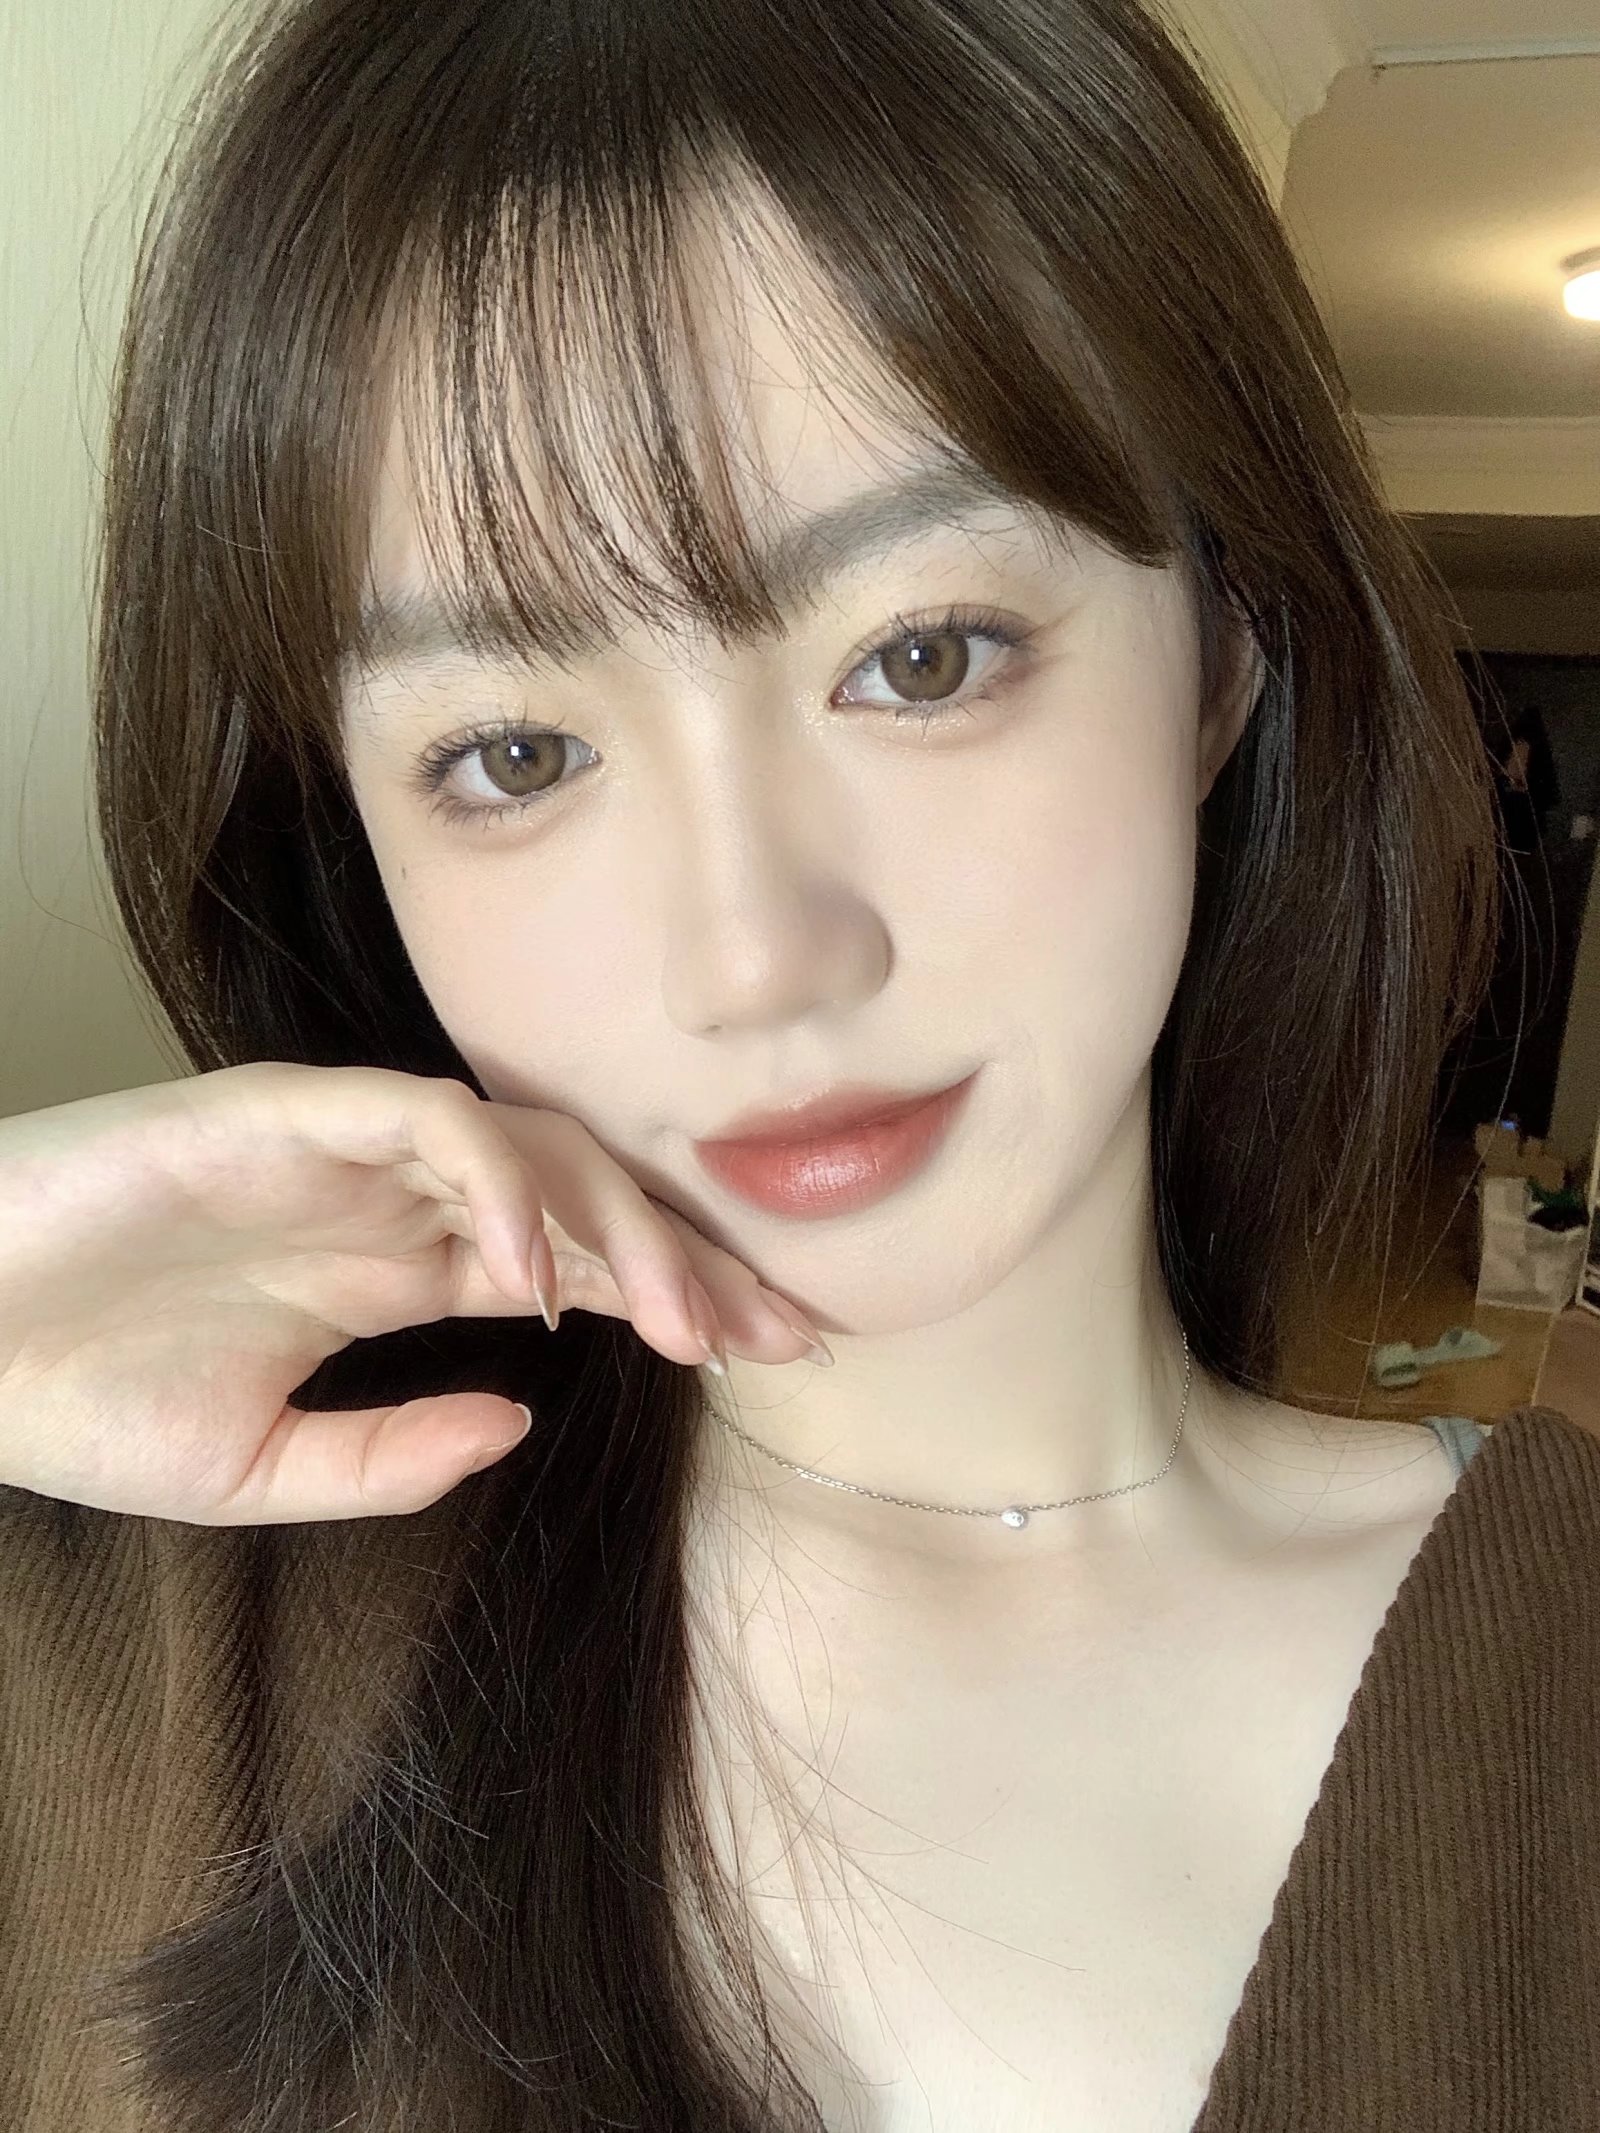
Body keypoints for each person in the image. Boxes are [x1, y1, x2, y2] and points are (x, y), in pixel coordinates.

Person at [1, 0, 1595, 2127]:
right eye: (515, 752)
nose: (754, 957)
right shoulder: (130, 1637)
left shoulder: (1550, 1679)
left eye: (919, 655)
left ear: (1222, 649)